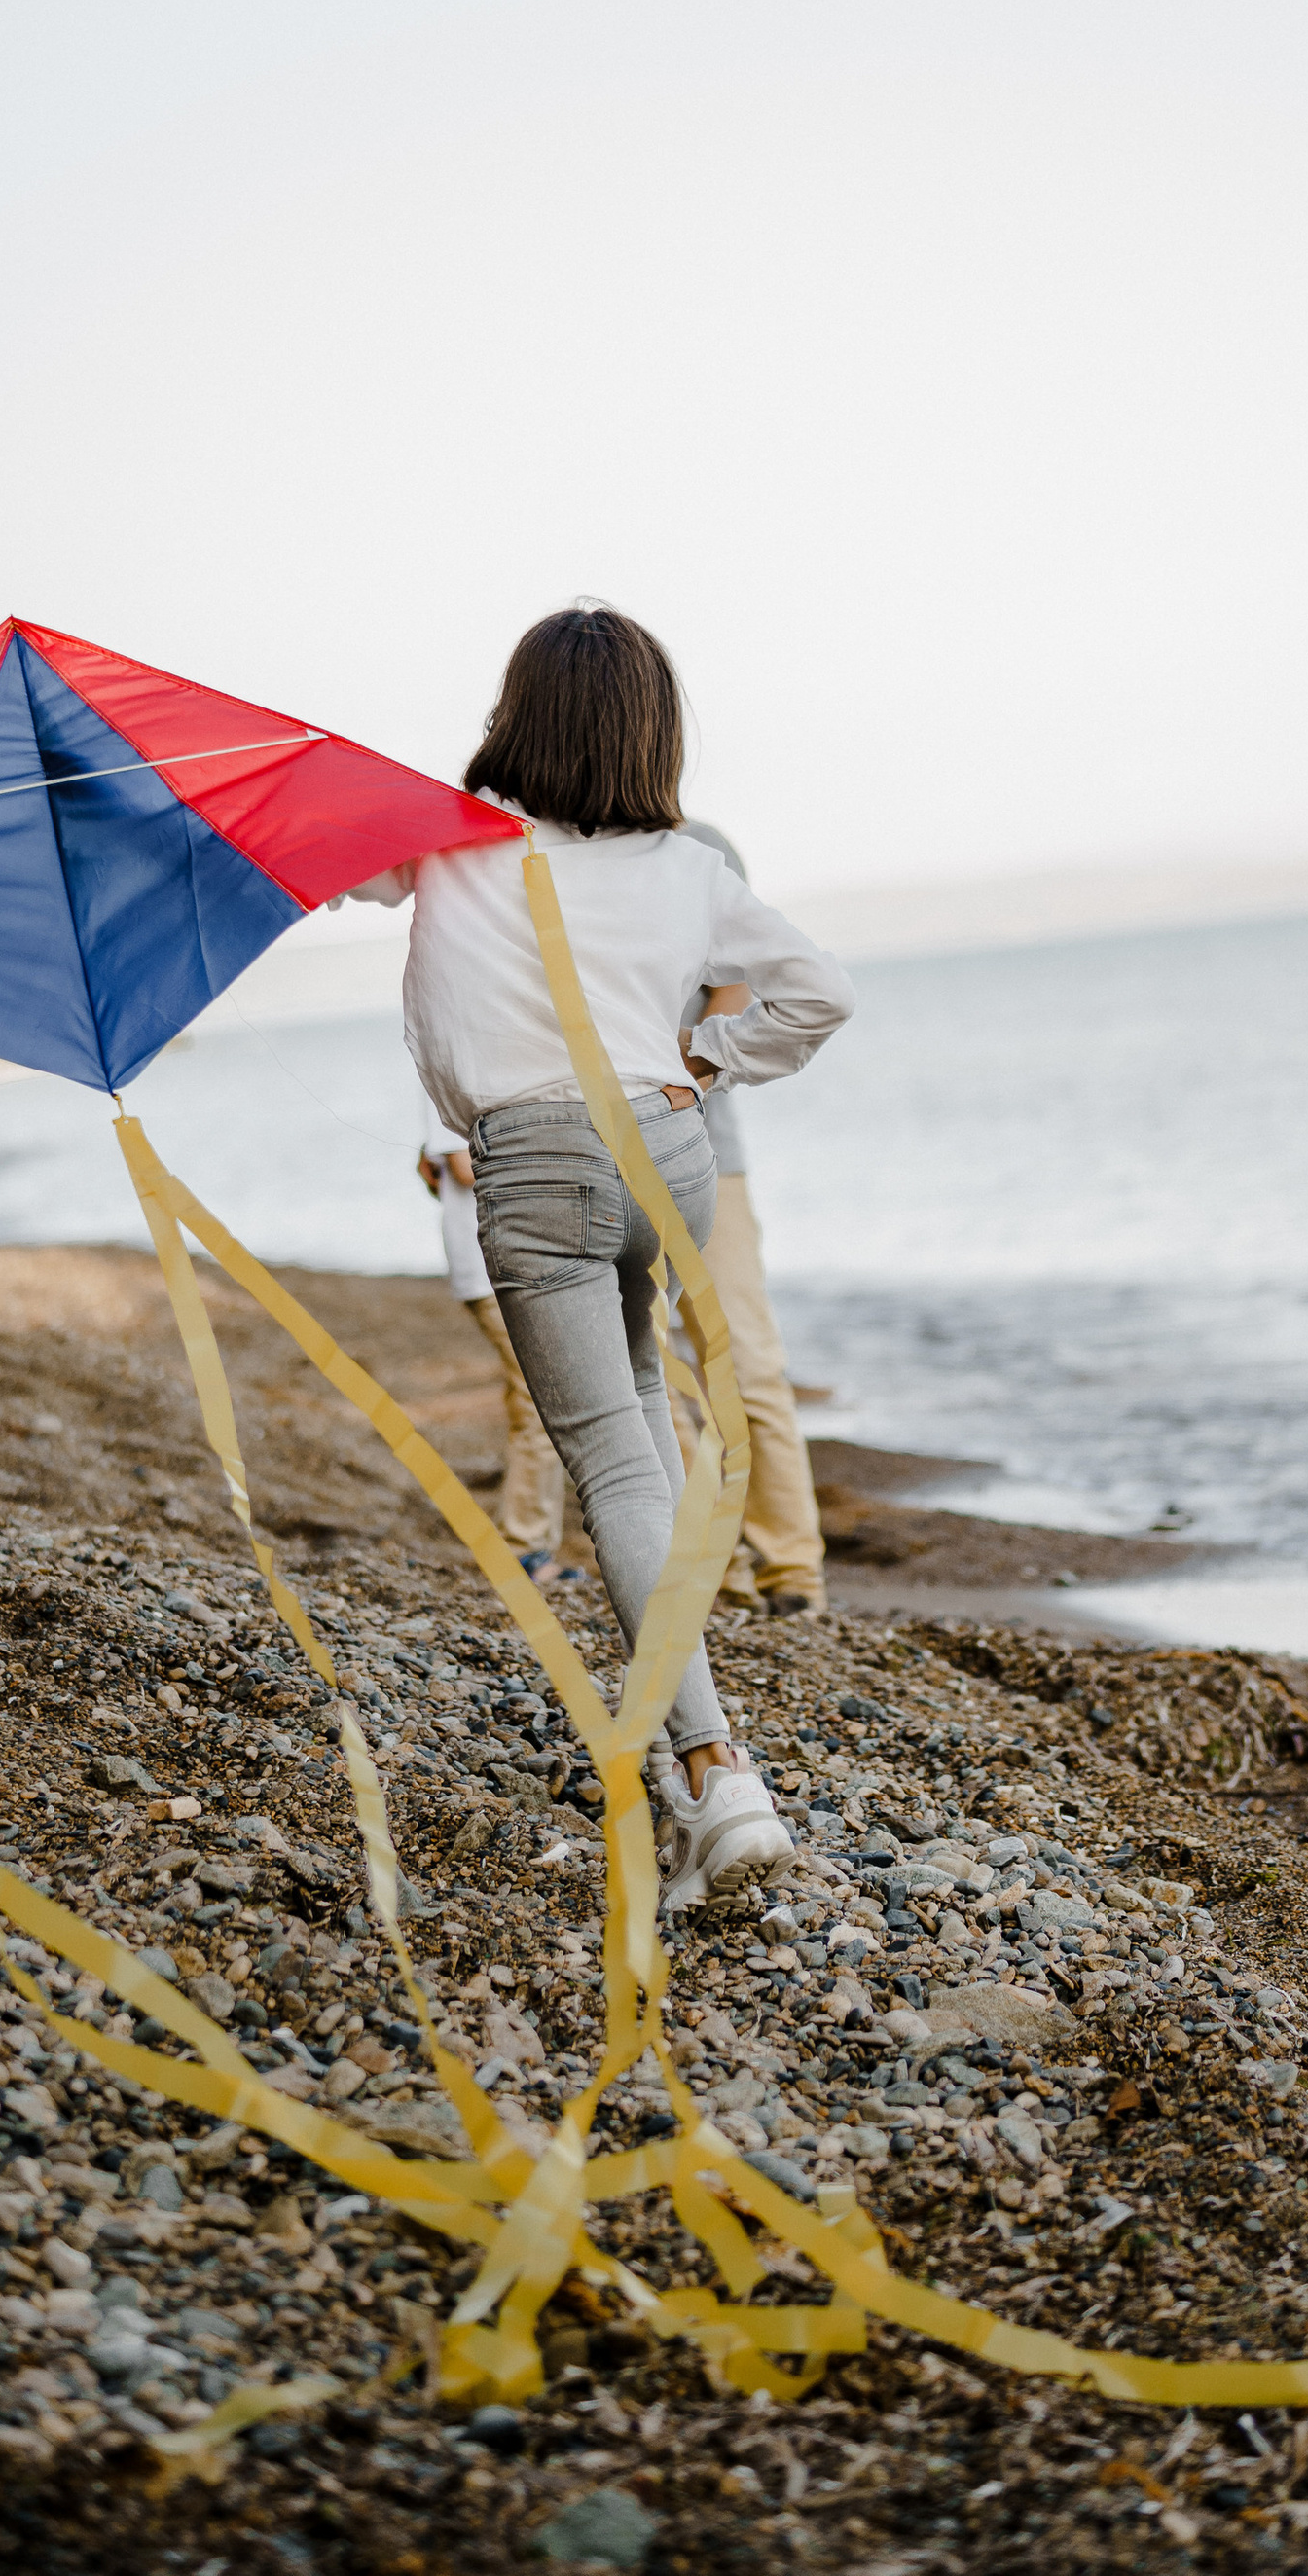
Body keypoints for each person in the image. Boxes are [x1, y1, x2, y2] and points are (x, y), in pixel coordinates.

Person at [350, 607, 854, 1915]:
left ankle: (719, 1774)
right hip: (672, 1153)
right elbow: (818, 993)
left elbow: (324, 868)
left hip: (543, 1161)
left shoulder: (449, 840)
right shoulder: (688, 867)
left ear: (515, 720)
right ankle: (696, 1759)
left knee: (614, 1462)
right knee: (641, 1403)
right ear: (652, 731)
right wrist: (707, 1062)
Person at [672, 818, 828, 1621]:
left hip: (703, 1141)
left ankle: (789, 1567)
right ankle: (713, 1565)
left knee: (743, 1357)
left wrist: (673, 1059)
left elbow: (738, 992)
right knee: (653, 1371)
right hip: (593, 1144)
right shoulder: (551, 858)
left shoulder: (700, 847)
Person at [418, 1123, 572, 1574]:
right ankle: (524, 1549)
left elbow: (438, 1168)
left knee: (533, 1397)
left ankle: (526, 1544)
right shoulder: (453, 1058)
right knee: (541, 1399)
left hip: (501, 1258)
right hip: (495, 1263)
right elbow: (467, 1168)